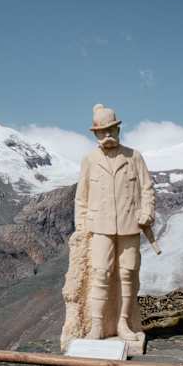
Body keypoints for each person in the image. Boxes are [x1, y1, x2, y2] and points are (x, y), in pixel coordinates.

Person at [62, 104, 155, 346]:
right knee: (100, 274)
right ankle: (96, 325)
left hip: (129, 225)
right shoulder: (90, 160)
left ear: (118, 129)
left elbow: (147, 189)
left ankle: (123, 323)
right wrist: (81, 228)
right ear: (95, 134)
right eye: (102, 132)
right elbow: (81, 197)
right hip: (99, 227)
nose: (107, 135)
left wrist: (147, 212)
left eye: (111, 130)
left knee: (127, 274)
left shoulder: (134, 157)